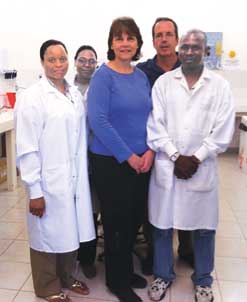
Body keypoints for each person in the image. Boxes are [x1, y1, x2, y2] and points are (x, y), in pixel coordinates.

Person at [146, 29, 235, 302]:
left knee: (205, 228)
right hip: (168, 167)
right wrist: (176, 156)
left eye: (196, 47)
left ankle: (203, 279)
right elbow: (155, 125)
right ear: (178, 50)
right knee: (162, 226)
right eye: (185, 46)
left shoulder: (220, 86)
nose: (189, 51)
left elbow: (223, 129)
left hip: (201, 169)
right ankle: (163, 275)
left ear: (205, 51)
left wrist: (195, 158)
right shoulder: (163, 83)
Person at [14, 39, 95, 302]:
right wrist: (34, 190)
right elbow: (26, 148)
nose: (58, 64)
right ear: (42, 62)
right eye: (52, 59)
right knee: (47, 235)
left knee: (69, 231)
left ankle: (66, 275)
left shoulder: (73, 93)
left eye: (62, 59)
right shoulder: (32, 97)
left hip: (73, 179)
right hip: (48, 180)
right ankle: (47, 286)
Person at [87, 17, 154, 302]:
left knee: (134, 220)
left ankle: (125, 270)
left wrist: (149, 150)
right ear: (111, 44)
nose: (125, 43)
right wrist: (128, 156)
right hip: (111, 162)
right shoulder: (103, 76)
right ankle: (117, 281)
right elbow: (99, 121)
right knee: (116, 222)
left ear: (138, 43)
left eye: (130, 38)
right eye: (119, 38)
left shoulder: (140, 76)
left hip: (141, 161)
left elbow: (152, 117)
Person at [137, 17, 194, 275]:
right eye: (158, 35)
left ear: (177, 39)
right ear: (153, 41)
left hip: (187, 147)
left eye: (168, 34)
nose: (163, 39)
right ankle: (154, 251)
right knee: (156, 203)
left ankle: (187, 248)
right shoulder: (143, 72)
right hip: (156, 147)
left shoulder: (192, 68)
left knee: (188, 198)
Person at [74, 45, 98, 279]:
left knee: (92, 209)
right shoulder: (65, 88)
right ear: (75, 62)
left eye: (92, 61)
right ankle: (73, 255)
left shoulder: (99, 87)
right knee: (71, 209)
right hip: (70, 158)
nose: (87, 65)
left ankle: (88, 258)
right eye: (83, 60)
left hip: (95, 156)